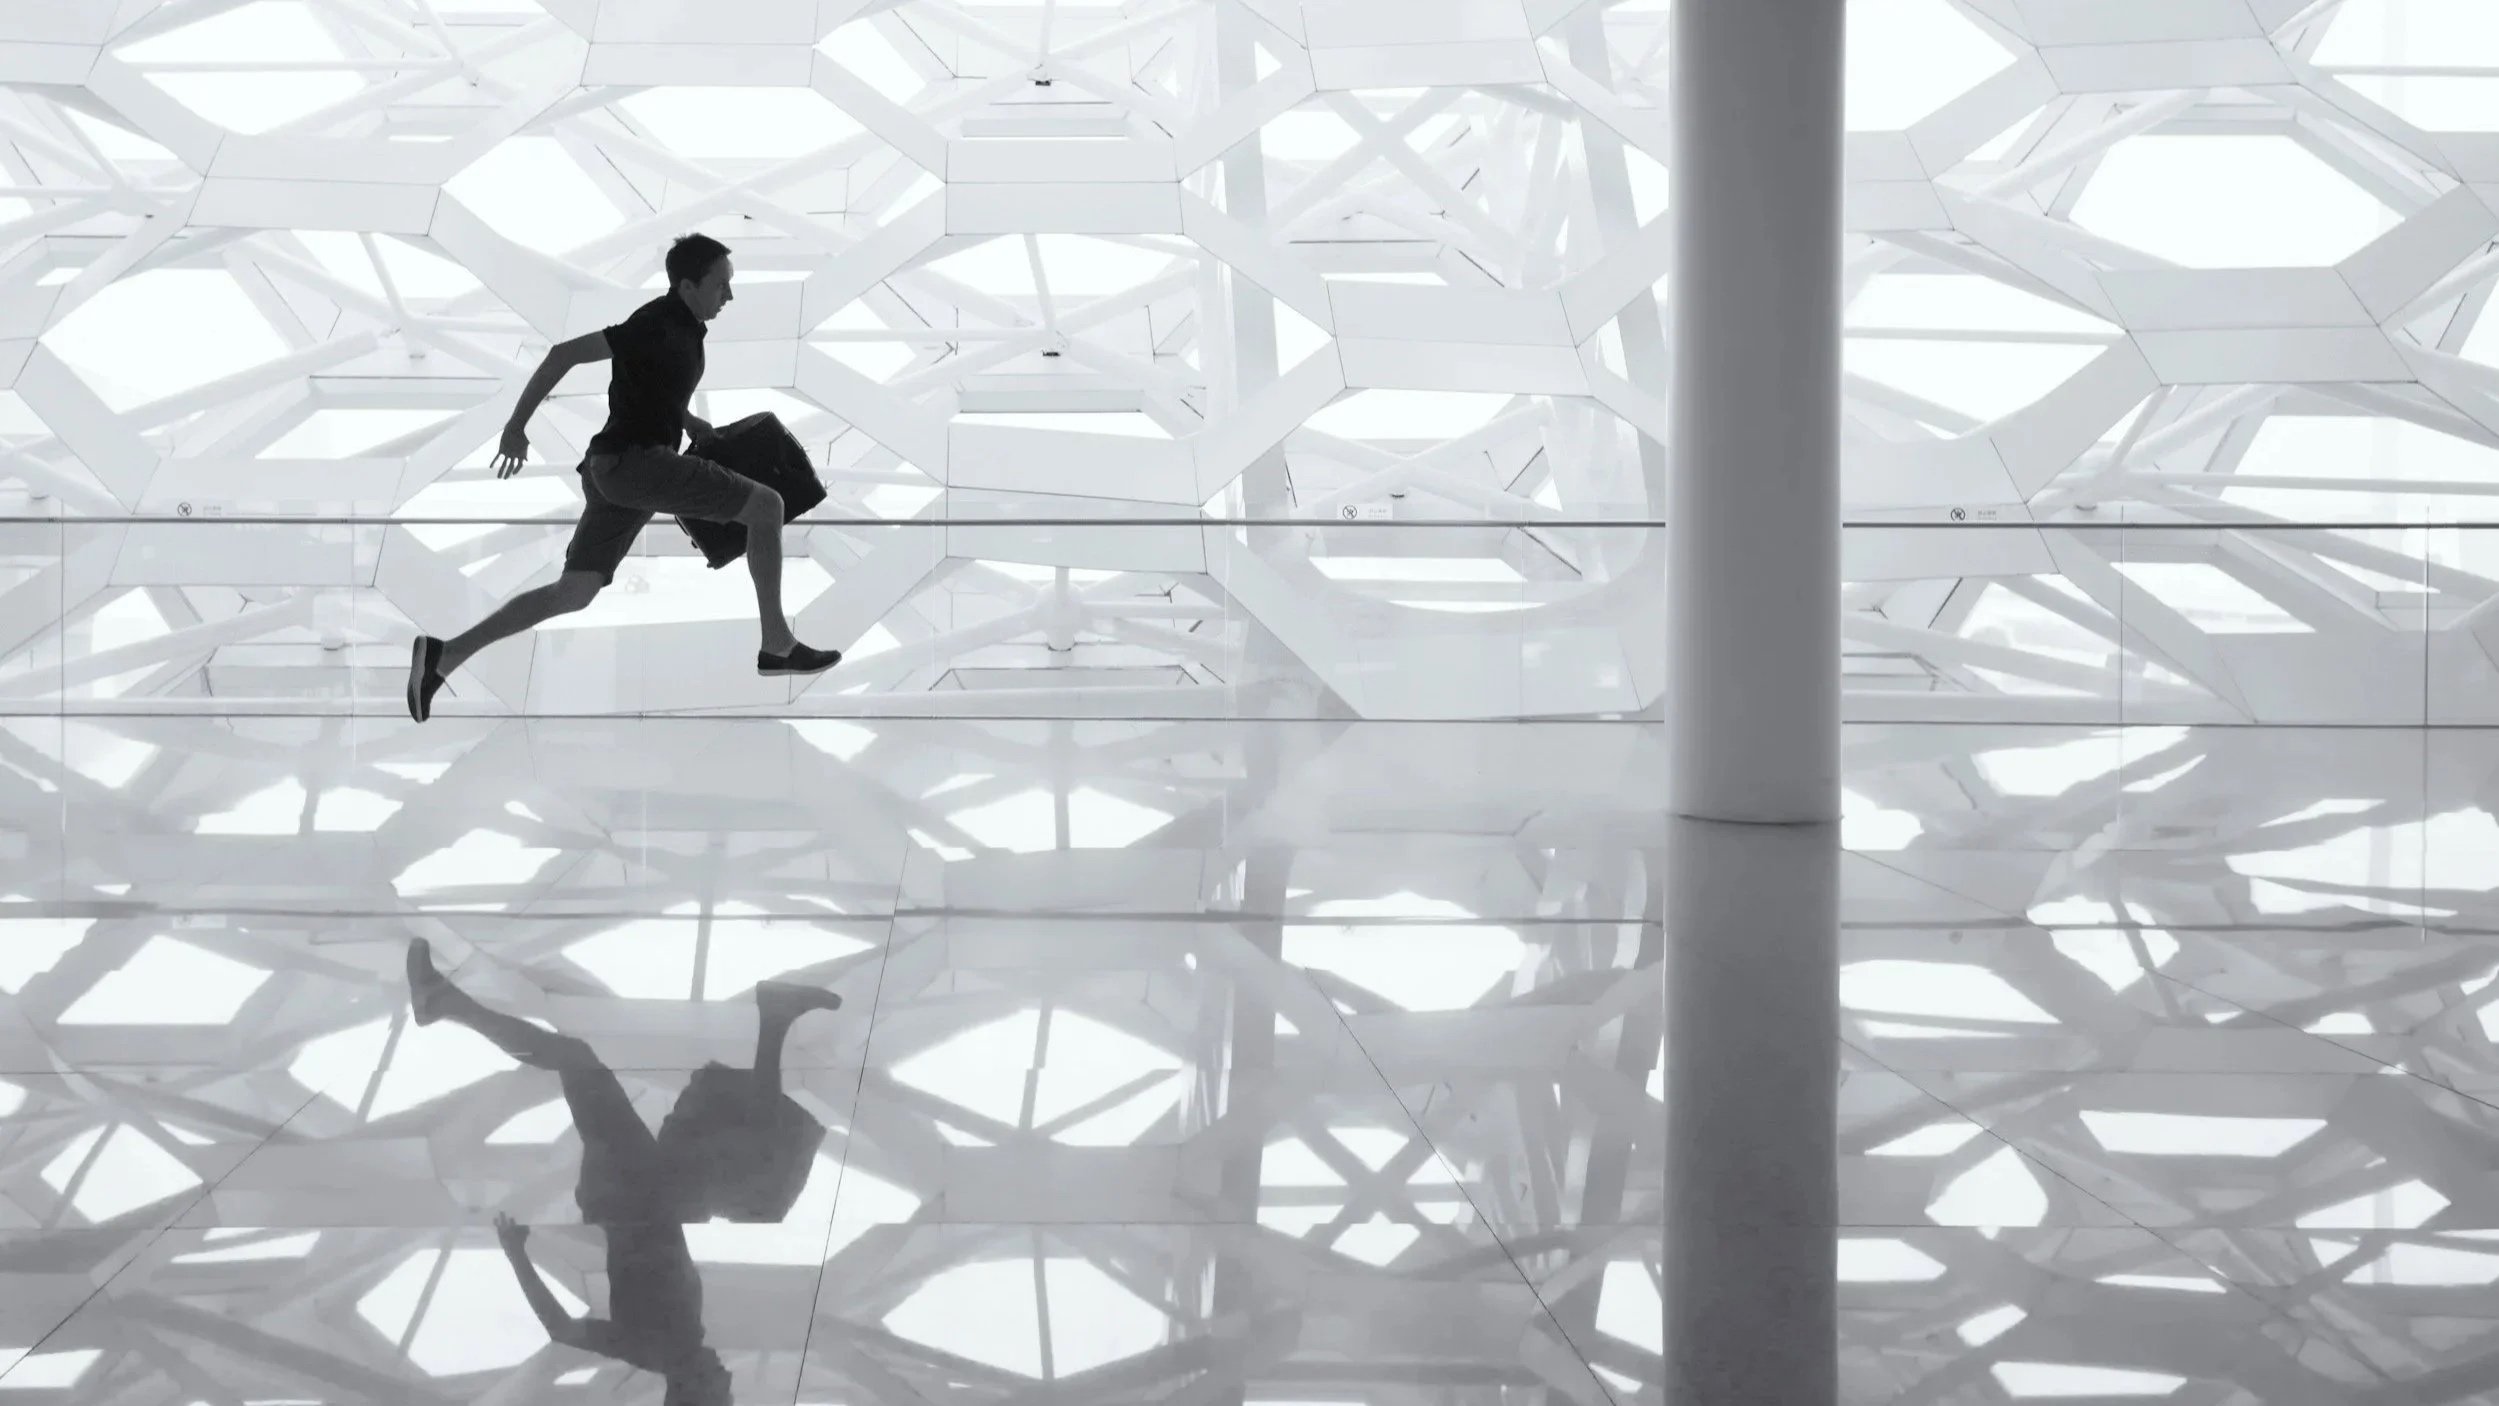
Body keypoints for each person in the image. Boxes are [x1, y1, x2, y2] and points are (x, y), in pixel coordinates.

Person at [406, 233, 839, 723]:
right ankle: (776, 644)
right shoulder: (654, 323)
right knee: (766, 506)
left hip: (616, 470)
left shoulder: (685, 328)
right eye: (721, 285)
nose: (729, 295)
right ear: (687, 285)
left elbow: (649, 390)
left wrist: (687, 421)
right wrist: (515, 427)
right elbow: (562, 354)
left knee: (574, 592)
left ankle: (444, 655)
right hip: (634, 466)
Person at [404, 938, 843, 1402]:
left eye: (721, 1390)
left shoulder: (654, 1348)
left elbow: (562, 1328)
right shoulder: (668, 1345)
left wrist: (517, 1254)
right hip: (652, 1192)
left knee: (578, 1063)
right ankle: (774, 1018)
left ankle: (443, 1002)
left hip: (630, 1191)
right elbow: (570, 1326)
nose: (728, 1378)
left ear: (695, 1393)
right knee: (763, 1189)